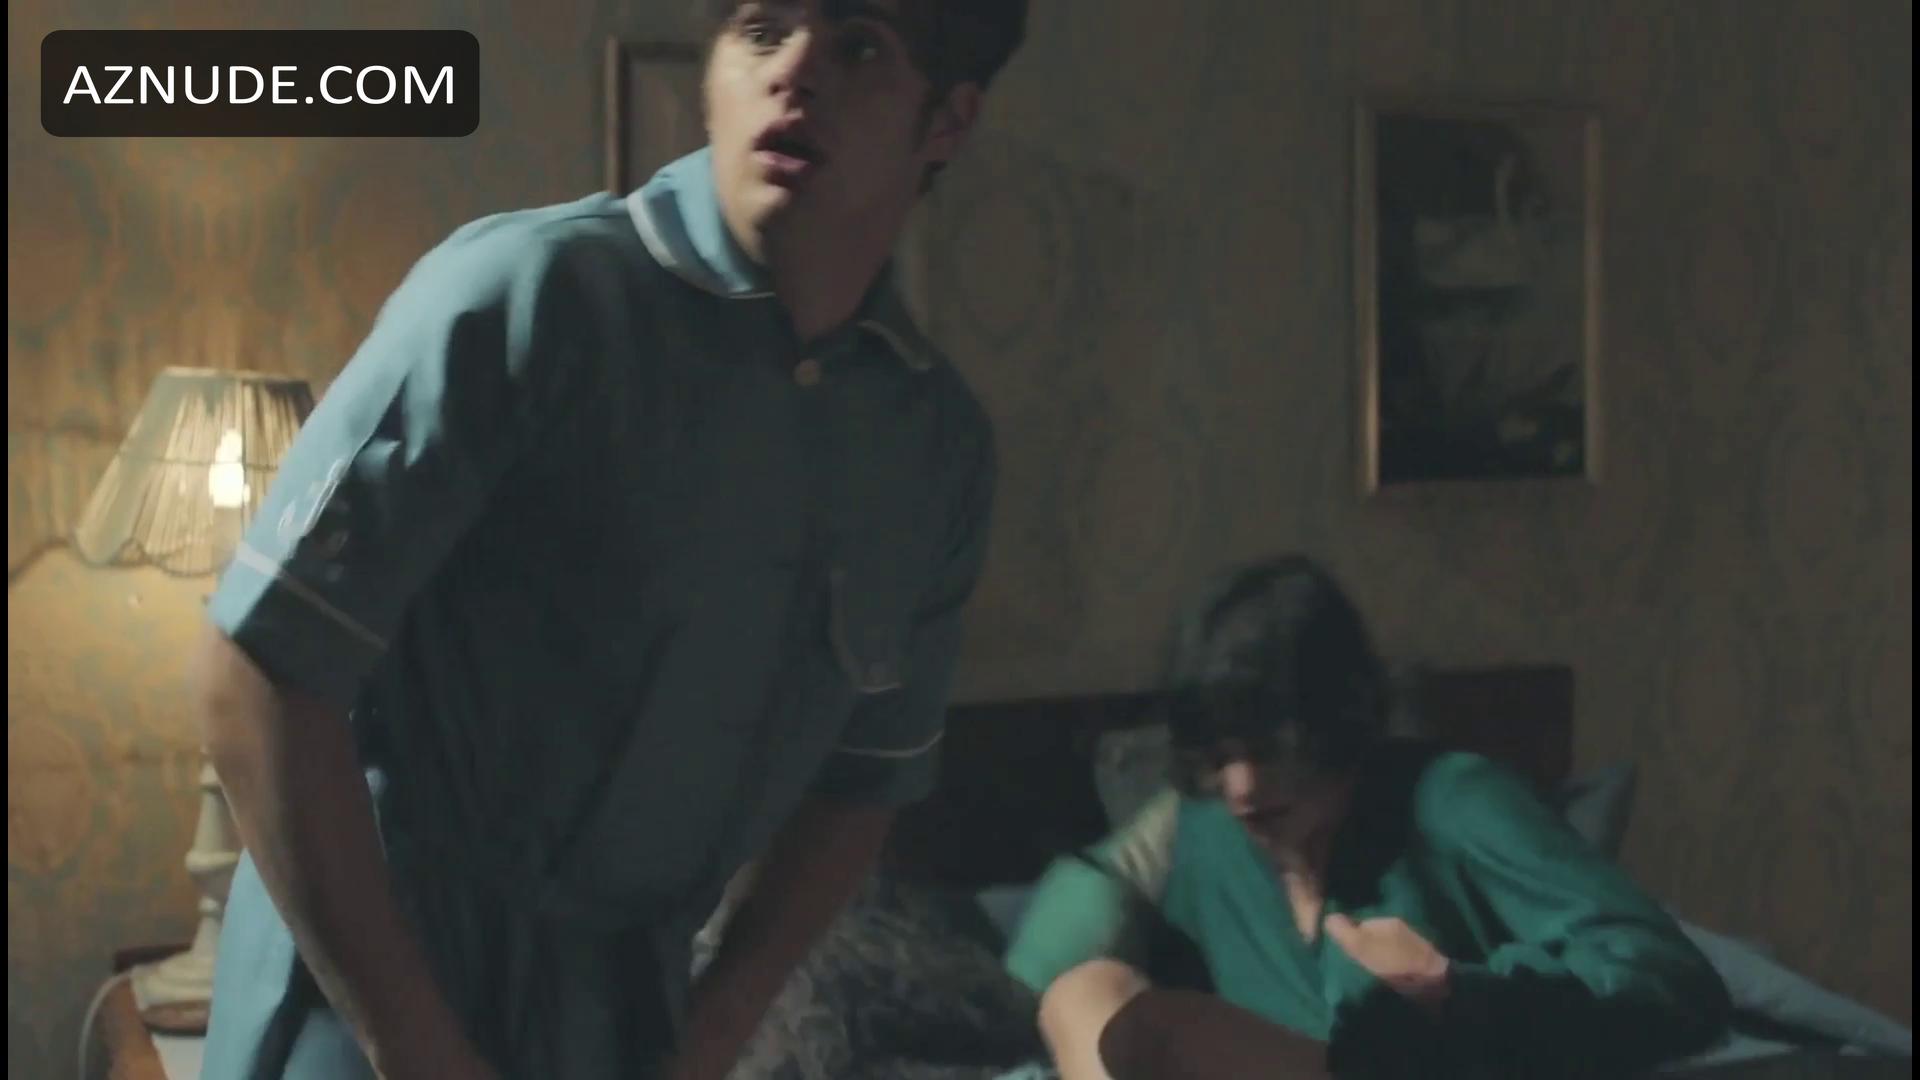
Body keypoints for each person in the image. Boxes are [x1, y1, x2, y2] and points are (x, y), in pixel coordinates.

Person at [194, 2, 1026, 1077]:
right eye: (762, 30)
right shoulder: (529, 296)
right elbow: (255, 672)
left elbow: (866, 779)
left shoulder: (929, 445)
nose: (795, 73)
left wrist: (711, 1032)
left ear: (947, 122)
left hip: (620, 1010)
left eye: (859, 47)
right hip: (376, 984)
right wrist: (413, 1044)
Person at [1005, 556, 1732, 1079]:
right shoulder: (1205, 831)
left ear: (1337, 717)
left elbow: (1673, 980)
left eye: (1268, 748)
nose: (1242, 788)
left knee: (1166, 1026)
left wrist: (1454, 988)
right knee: (1087, 989)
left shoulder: (1451, 800)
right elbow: (1075, 965)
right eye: (1220, 757)